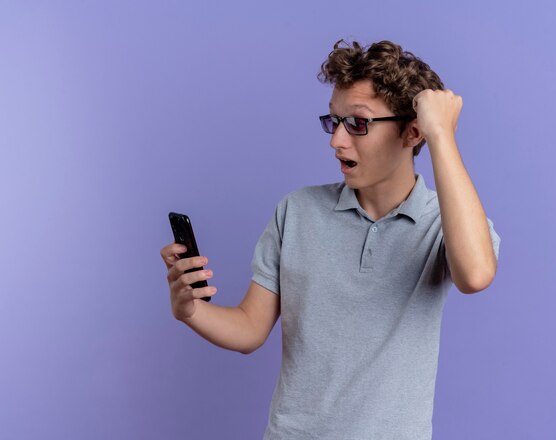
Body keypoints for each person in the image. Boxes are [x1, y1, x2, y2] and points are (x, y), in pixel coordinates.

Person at [160, 39, 501, 440]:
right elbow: (250, 330)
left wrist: (442, 135)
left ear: (412, 131)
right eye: (333, 121)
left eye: (357, 123)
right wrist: (192, 311)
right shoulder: (297, 211)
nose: (336, 141)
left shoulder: (443, 222)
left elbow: (476, 275)